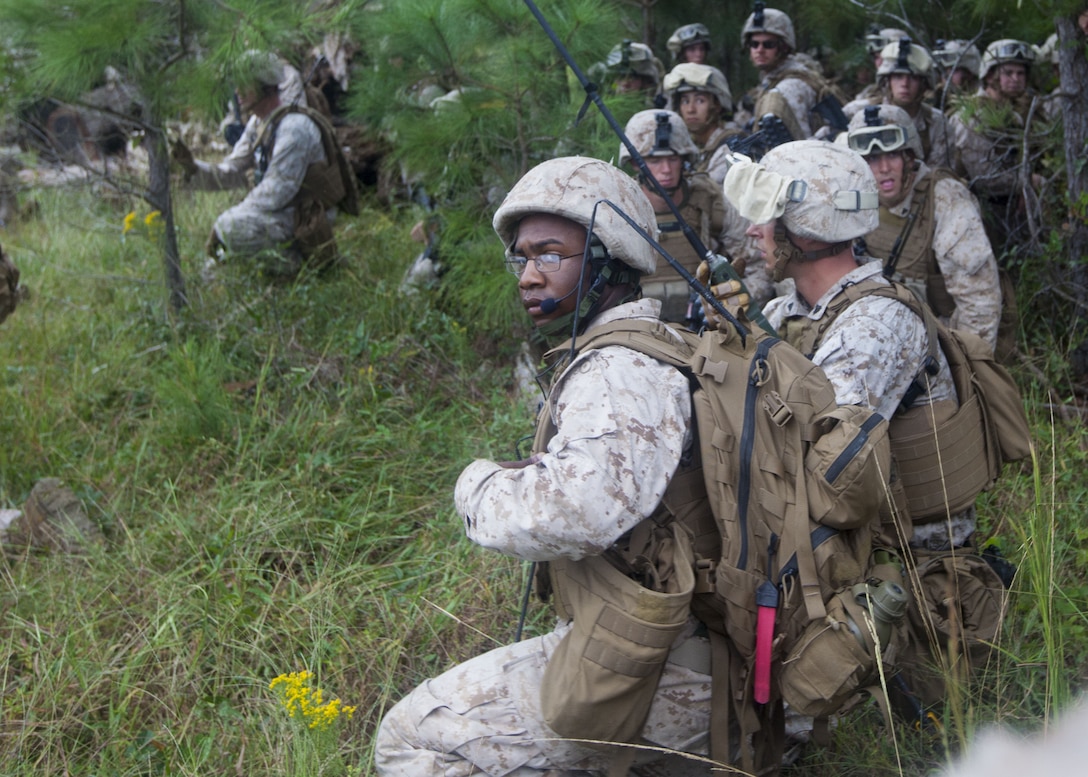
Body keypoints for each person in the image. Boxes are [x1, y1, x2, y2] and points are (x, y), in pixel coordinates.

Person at [373, 156, 714, 775]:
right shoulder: (643, 345)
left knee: (410, 737)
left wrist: (478, 487)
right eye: (522, 259)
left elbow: (579, 510)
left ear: (610, 258)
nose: (529, 277)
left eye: (550, 255)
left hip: (684, 668)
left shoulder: (622, 369)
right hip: (674, 640)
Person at [173, 51, 354, 275]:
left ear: (265, 86)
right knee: (213, 267)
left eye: (245, 84)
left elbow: (278, 190)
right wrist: (192, 168)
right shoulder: (258, 125)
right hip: (282, 210)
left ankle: (301, 267)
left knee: (231, 228)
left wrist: (223, 223)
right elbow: (231, 171)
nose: (238, 91)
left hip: (305, 216)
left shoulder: (294, 128)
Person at [846, 105, 1001, 352]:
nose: (883, 167)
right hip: (882, 334)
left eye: (892, 155)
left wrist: (968, 370)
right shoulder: (855, 198)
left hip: (943, 338)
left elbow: (980, 302)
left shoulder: (946, 199)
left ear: (910, 157)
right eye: (872, 158)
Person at [619, 109, 761, 321]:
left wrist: (731, 307)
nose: (666, 169)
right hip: (640, 329)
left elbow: (756, 262)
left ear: (684, 158)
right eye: (655, 161)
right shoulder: (620, 207)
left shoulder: (709, 199)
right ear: (634, 163)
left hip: (707, 326)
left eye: (673, 159)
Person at [948, 39, 1046, 252]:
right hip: (980, 215)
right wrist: (1029, 182)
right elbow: (984, 177)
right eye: (1008, 72)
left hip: (1013, 213)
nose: (1016, 79)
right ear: (990, 75)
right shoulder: (971, 117)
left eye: (1021, 73)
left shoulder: (1016, 114)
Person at [843, 38, 953, 169]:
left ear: (924, 83)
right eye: (898, 76)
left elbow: (937, 173)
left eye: (913, 78)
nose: (905, 84)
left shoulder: (937, 122)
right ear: (887, 81)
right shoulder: (856, 112)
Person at [737, 5, 832, 140]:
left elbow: (802, 144)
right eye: (754, 44)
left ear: (783, 47)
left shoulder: (789, 88)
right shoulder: (772, 79)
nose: (760, 50)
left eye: (768, 44)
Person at [661, 63, 742, 180]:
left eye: (700, 101)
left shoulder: (730, 148)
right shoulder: (687, 145)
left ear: (717, 105)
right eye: (685, 101)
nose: (691, 109)